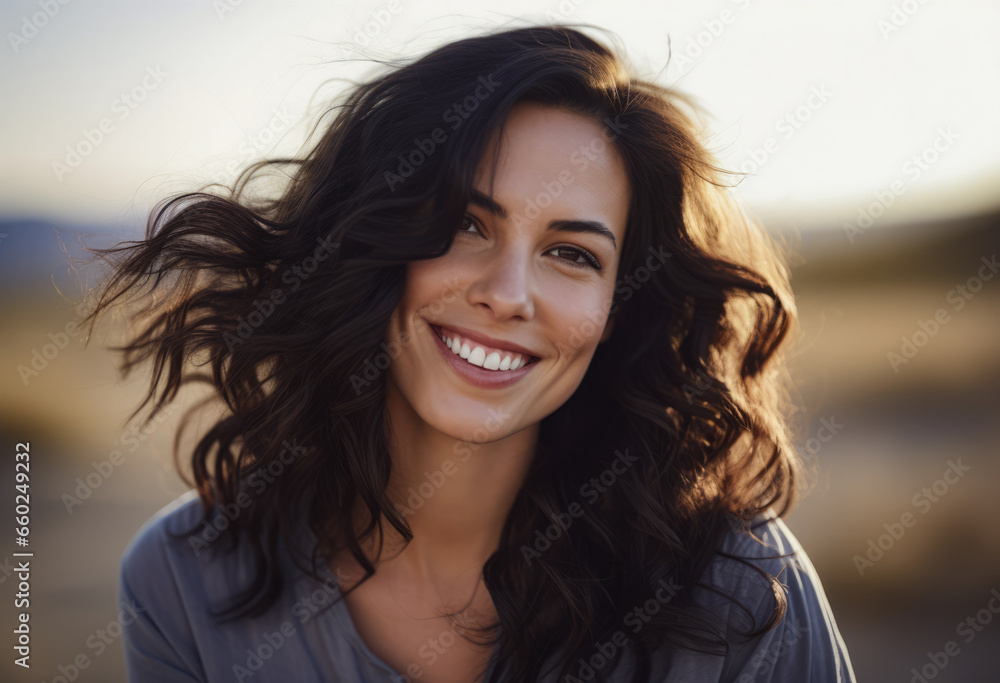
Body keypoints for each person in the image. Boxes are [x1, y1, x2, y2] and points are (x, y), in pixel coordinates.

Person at [80, 22, 857, 683]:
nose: (508, 292)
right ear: (371, 239)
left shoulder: (744, 590)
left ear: (620, 311)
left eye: (572, 255)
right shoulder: (180, 579)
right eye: (466, 222)